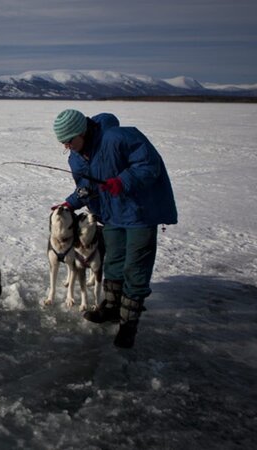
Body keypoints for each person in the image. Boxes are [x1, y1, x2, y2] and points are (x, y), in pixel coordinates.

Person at [51, 109, 177, 348]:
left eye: (69, 141)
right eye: (63, 143)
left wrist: (122, 181)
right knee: (114, 262)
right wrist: (71, 202)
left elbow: (149, 165)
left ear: (82, 132)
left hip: (140, 212)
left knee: (135, 267)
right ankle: (111, 307)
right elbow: (86, 186)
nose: (67, 147)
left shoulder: (120, 138)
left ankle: (129, 324)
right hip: (111, 215)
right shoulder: (75, 158)